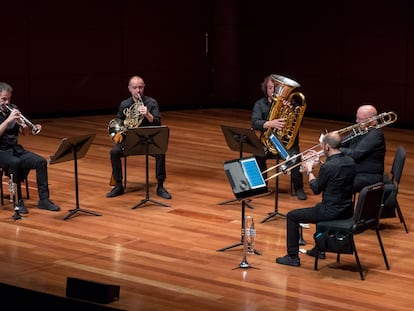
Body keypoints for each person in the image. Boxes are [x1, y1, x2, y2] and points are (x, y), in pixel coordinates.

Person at [275, 132, 355, 267]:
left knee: (292, 216)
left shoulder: (328, 167)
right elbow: (334, 174)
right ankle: (319, 250)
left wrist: (309, 170)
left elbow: (316, 189)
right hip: (347, 209)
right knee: (318, 207)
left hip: (331, 211)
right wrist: (321, 163)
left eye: (323, 145)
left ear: (328, 147)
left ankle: (292, 257)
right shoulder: (350, 161)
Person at [107, 75, 171, 199]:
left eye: (140, 87)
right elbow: (119, 122)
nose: (138, 90)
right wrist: (122, 128)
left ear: (144, 88)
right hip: (130, 140)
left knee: (161, 152)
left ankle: (160, 186)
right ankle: (119, 185)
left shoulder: (151, 103)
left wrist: (147, 114)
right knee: (114, 151)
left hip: (149, 141)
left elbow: (157, 123)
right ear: (129, 89)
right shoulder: (124, 104)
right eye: (135, 87)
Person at [0, 82, 60, 213]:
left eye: (9, 98)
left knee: (40, 161)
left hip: (15, 149)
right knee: (15, 163)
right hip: (1, 151)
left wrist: (24, 125)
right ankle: (17, 201)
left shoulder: (13, 108)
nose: (7, 102)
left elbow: (25, 133)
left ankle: (44, 200)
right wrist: (8, 120)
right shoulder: (7, 115)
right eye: (3, 99)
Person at [252, 74, 307, 200]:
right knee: (257, 153)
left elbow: (298, 124)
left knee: (295, 158)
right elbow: (255, 123)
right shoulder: (260, 104)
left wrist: (291, 112)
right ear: (266, 89)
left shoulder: (291, 103)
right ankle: (262, 186)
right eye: (270, 88)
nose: (272, 91)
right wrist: (269, 123)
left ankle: (299, 188)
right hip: (267, 143)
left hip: (286, 145)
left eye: (275, 89)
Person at [339, 104, 385, 193]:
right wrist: (332, 140)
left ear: (373, 120)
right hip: (357, 169)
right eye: (357, 118)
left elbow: (356, 154)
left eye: (360, 119)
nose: (357, 121)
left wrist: (335, 148)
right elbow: (344, 142)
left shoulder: (375, 134)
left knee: (339, 183)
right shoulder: (361, 129)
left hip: (369, 175)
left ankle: (341, 206)